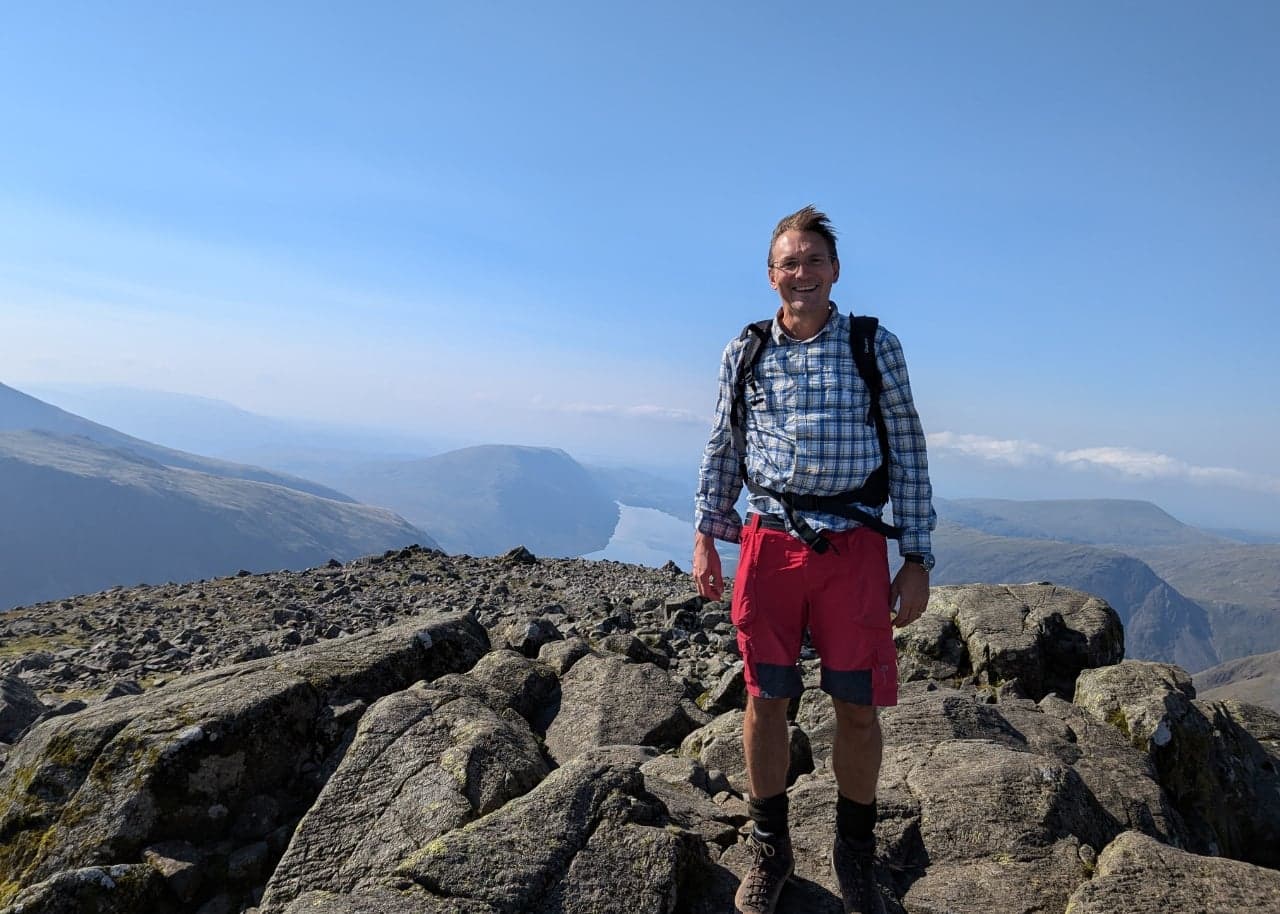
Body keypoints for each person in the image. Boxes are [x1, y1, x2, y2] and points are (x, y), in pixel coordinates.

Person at [693, 205, 936, 914]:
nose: (801, 273)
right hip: (769, 544)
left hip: (855, 546)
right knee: (766, 700)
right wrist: (708, 533)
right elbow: (724, 445)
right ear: (772, 275)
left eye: (814, 260)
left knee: (857, 709)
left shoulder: (871, 345)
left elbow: (910, 451)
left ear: (835, 271)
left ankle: (852, 854)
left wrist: (916, 555)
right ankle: (771, 850)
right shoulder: (746, 351)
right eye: (788, 262)